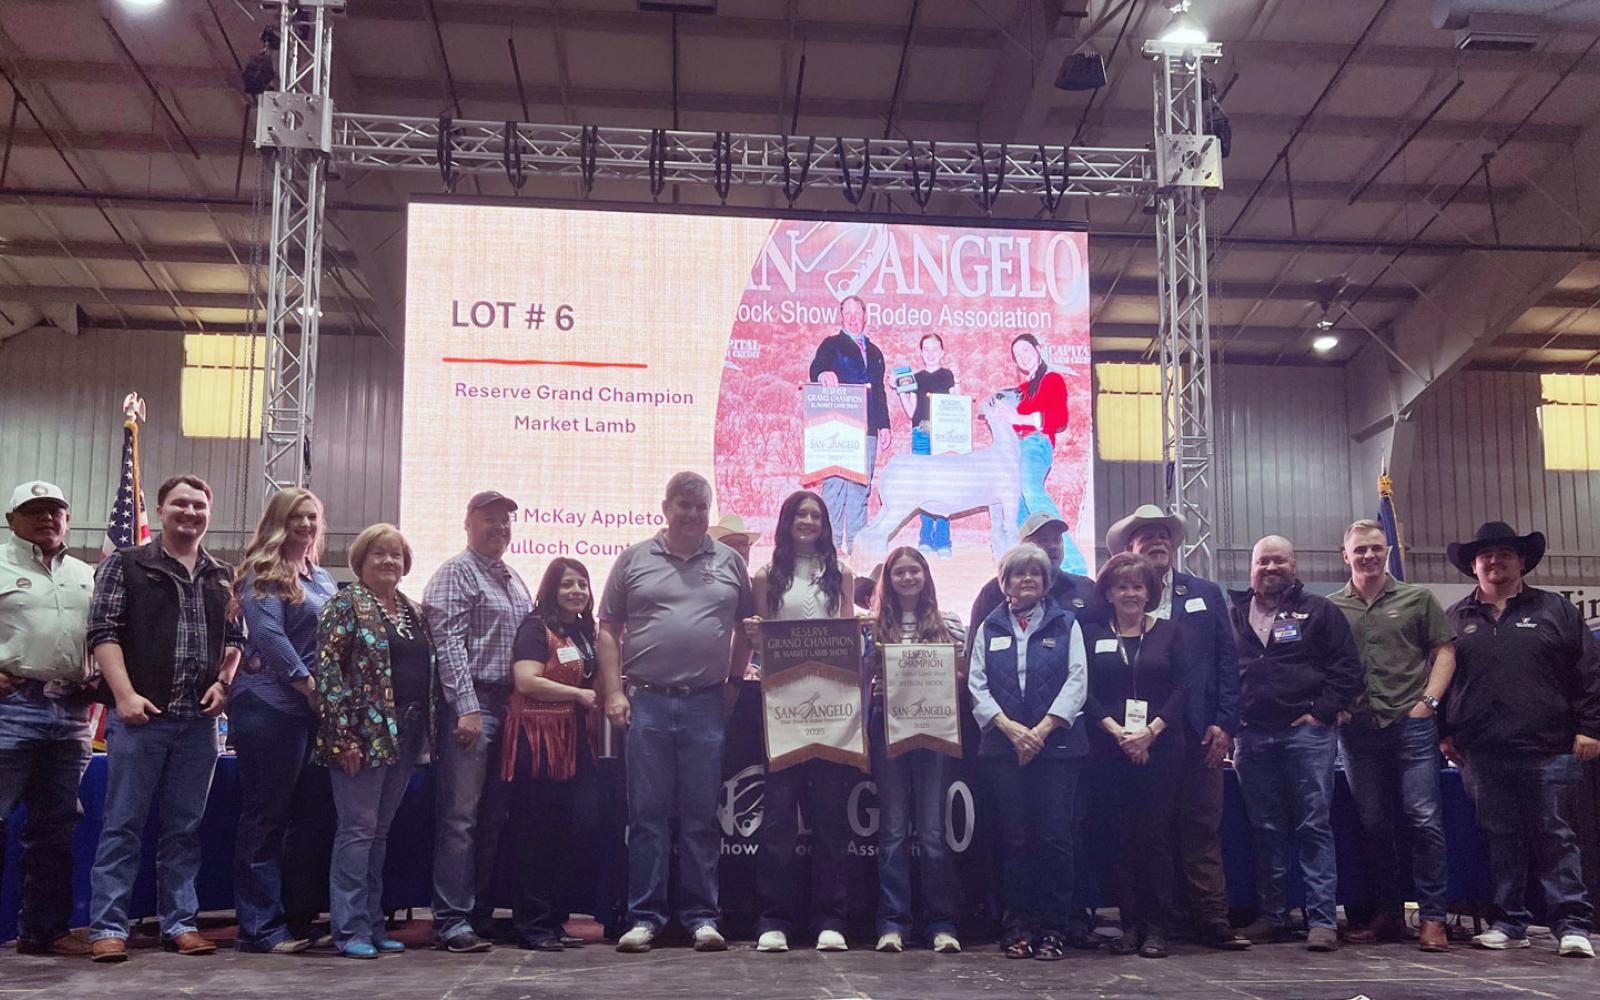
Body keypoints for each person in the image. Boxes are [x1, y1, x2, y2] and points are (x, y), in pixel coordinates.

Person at [86, 475, 244, 962]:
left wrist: (224, 683)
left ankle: (181, 923)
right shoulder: (126, 565)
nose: (190, 512)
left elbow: (236, 639)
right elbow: (102, 632)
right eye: (181, 504)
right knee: (122, 826)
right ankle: (107, 928)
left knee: (184, 830)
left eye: (199, 505)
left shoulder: (222, 574)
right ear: (161, 510)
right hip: (140, 721)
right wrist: (125, 695)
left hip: (198, 726)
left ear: (208, 514)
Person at [600, 471, 754, 954]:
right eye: (682, 505)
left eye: (699, 506)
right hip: (646, 700)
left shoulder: (730, 562)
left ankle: (702, 918)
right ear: (664, 507)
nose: (691, 513)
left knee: (700, 818)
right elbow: (608, 629)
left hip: (706, 703)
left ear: (709, 511)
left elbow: (746, 629)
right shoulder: (633, 559)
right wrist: (613, 693)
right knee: (646, 816)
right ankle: (644, 918)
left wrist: (732, 681)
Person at [1440, 521, 1600, 958]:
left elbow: (1588, 673)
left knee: (1556, 836)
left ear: (1521, 560)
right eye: (1485, 555)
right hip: (1482, 752)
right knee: (1500, 837)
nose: (1494, 561)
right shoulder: (1456, 618)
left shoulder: (1556, 610)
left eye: (1504, 554)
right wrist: (1444, 734)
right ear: (1473, 565)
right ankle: (1510, 922)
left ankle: (1572, 925)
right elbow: (1441, 681)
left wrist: (1591, 727)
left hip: (1548, 748)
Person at [1106, 505, 1247, 951]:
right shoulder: (1115, 598)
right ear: (1129, 549)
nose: (1157, 541)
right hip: (1136, 742)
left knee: (1201, 827)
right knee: (1144, 831)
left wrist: (1225, 723)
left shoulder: (1203, 592)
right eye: (1146, 535)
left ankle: (1212, 921)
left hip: (1197, 732)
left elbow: (1227, 661)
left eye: (1164, 534)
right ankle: (1153, 921)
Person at [1227, 535, 1362, 953]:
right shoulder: (1232, 614)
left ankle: (1322, 920)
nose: (1270, 568)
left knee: (1313, 826)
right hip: (1251, 736)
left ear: (1295, 565)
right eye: (1262, 561)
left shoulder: (1320, 610)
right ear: (1250, 568)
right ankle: (1273, 917)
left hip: (1306, 734)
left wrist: (1321, 713)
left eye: (1279, 561)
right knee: (1266, 830)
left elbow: (1348, 670)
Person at [1330, 519, 1456, 953]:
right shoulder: (1331, 608)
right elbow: (1325, 666)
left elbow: (1444, 650)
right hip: (1358, 733)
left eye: (1376, 547)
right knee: (1373, 825)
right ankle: (1387, 916)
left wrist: (1429, 704)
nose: (1368, 555)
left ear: (1387, 550)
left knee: (1424, 820)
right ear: (1345, 555)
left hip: (1412, 726)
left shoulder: (1418, 599)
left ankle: (1433, 919)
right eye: (1359, 549)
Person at [742, 490, 857, 953]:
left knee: (831, 818)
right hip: (783, 707)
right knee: (777, 820)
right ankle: (774, 919)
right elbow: (760, 634)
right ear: (787, 521)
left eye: (816, 515)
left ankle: (831, 919)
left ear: (825, 524)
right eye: (800, 514)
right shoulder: (767, 574)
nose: (808, 521)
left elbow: (847, 632)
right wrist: (754, 633)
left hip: (832, 709)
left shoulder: (842, 573)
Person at [316, 524, 436, 959]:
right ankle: (349, 930)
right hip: (361, 739)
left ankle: (372, 922)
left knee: (379, 834)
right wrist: (343, 736)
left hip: (408, 733)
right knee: (356, 833)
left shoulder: (414, 610)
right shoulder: (344, 604)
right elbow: (328, 673)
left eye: (396, 555)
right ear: (361, 562)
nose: (389, 562)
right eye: (379, 555)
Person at [422, 490, 533, 953]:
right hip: (473, 708)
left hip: (512, 710)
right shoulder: (455, 573)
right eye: (490, 520)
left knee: (493, 817)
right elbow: (448, 646)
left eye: (506, 522)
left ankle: (479, 913)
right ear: (467, 524)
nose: (499, 529)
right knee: (460, 818)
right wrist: (466, 707)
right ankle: (450, 920)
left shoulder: (514, 580)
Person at [229, 487, 338, 954]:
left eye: (312, 517)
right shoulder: (263, 571)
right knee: (266, 818)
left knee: (310, 818)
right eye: (297, 517)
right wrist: (307, 685)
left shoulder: (324, 578)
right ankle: (259, 929)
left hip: (313, 713)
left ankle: (295, 918)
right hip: (271, 707)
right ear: (279, 520)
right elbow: (269, 636)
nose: (307, 525)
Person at [968, 543, 1088, 961]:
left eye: (1035, 574)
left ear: (1046, 581)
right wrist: (1009, 729)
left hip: (1056, 748)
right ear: (1004, 582)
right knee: (1015, 839)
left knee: (1056, 839)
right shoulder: (989, 627)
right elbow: (976, 685)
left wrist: (1039, 731)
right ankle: (1018, 927)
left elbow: (1077, 682)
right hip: (1004, 749)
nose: (1028, 581)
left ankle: (1055, 929)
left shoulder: (1065, 623)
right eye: (1019, 574)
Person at [0, 481, 95, 957]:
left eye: (55, 510)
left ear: (68, 519)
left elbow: (107, 635)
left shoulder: (86, 573)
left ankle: (45, 931)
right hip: (10, 706)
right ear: (11, 519)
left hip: (73, 711)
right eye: (34, 511)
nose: (47, 519)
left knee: (56, 827)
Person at [1081, 554, 1187, 959]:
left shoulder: (1170, 633)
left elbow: (1183, 689)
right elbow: (1084, 690)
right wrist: (1118, 732)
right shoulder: (1091, 635)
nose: (1130, 593)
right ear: (1108, 593)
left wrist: (1148, 733)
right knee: (1119, 839)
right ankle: (1129, 926)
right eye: (1122, 586)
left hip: (1160, 749)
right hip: (1108, 750)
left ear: (1149, 593)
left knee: (1155, 839)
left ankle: (1157, 927)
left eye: (1138, 586)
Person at [867, 545, 965, 955]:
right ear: (887, 581)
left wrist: (953, 675)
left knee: (932, 832)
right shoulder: (871, 627)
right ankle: (893, 923)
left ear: (926, 576)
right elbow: (862, 680)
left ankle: (941, 924)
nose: (907, 578)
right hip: (886, 728)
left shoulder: (952, 624)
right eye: (898, 573)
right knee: (891, 831)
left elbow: (961, 682)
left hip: (935, 730)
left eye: (914, 571)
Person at [502, 557, 602, 952]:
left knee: (572, 829)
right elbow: (526, 680)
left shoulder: (581, 632)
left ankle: (556, 919)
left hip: (575, 738)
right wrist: (578, 694)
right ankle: (532, 923)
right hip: (538, 739)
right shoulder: (534, 628)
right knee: (536, 833)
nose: (577, 591)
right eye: (568, 585)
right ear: (550, 590)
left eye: (583, 584)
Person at [808, 294, 891, 551]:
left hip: (868, 428)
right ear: (841, 316)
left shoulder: (875, 352)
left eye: (858, 312)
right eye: (848, 313)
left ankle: (856, 543)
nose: (854, 317)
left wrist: (884, 425)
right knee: (834, 486)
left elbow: (879, 391)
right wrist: (824, 374)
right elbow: (816, 368)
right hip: (840, 426)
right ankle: (829, 546)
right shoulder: (831, 344)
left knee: (860, 488)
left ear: (865, 316)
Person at [1007, 334, 1086, 575]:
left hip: (1036, 444)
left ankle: (1073, 564)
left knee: (1030, 490)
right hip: (1015, 449)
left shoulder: (1052, 379)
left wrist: (1019, 418)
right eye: (1017, 355)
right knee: (1018, 504)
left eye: (1026, 351)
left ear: (1038, 349)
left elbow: (1058, 419)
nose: (1023, 357)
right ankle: (1034, 564)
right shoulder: (1019, 390)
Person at [969, 512, 1096, 652]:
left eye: (1057, 539)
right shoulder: (994, 591)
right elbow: (975, 651)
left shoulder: (1085, 589)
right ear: (1024, 546)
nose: (1053, 546)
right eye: (1043, 539)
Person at [896, 333, 958, 558]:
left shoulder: (948, 376)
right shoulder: (915, 377)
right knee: (923, 486)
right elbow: (911, 412)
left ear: (942, 352)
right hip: (921, 433)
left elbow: (956, 405)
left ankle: (943, 541)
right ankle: (925, 538)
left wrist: (958, 384)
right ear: (921, 353)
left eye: (935, 349)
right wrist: (901, 391)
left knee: (944, 487)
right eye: (926, 349)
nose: (931, 353)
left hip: (944, 437)